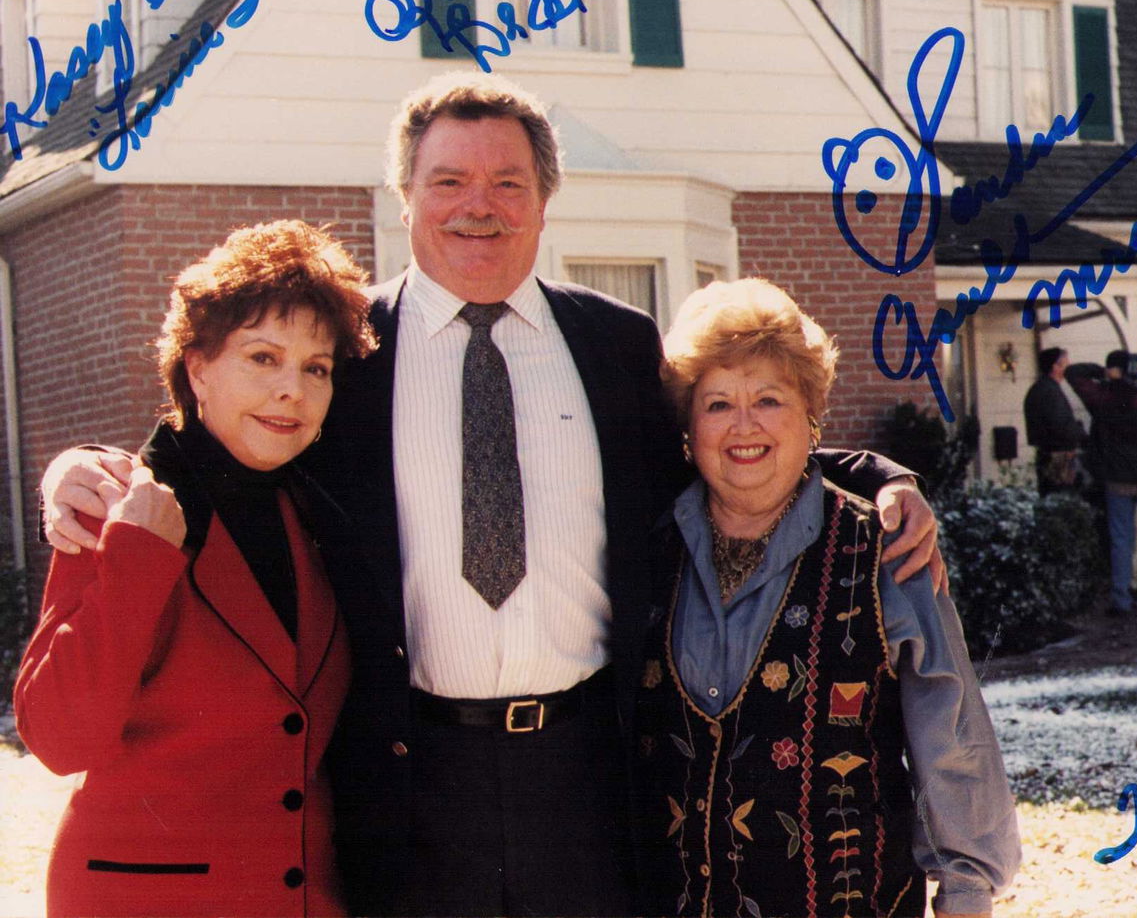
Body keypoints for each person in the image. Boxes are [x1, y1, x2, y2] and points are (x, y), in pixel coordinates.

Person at [40, 73, 943, 917]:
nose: (480, 204)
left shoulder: (619, 348)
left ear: (546, 199)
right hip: (409, 779)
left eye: (508, 182)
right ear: (406, 197)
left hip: (591, 771)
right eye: (449, 181)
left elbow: (734, 452)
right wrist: (84, 467)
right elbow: (231, 437)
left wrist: (877, 477)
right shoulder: (348, 359)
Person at [15, 221, 375, 917]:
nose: (290, 391)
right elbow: (59, 740)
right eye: (262, 358)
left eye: (316, 368)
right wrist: (136, 560)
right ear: (197, 366)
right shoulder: (114, 503)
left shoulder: (319, 513)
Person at [637, 278, 1020, 918]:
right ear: (688, 428)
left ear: (811, 416)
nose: (744, 426)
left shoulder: (885, 549)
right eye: (717, 404)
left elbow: (950, 732)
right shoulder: (648, 549)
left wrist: (966, 891)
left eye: (768, 399)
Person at [1066, 350, 1137, 615]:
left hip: (1116, 479)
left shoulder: (1102, 397)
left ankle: (1121, 600)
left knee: (1121, 540)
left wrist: (1102, 373)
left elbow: (1073, 373)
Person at [1023, 346, 1085, 494]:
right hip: (1058, 458)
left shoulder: (1040, 388)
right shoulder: (1050, 392)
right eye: (1066, 364)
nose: (1069, 369)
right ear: (1055, 367)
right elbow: (1061, 425)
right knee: (1061, 498)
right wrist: (1081, 434)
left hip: (1047, 454)